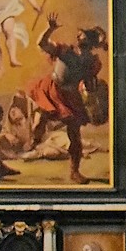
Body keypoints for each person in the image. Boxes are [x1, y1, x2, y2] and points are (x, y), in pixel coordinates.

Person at [28, 14, 107, 184]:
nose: (79, 36)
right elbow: (42, 44)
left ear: (91, 41)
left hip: (70, 96)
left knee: (75, 136)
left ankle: (74, 171)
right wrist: (50, 29)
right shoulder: (65, 50)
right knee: (38, 124)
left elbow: (89, 82)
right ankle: (34, 140)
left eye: (83, 34)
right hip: (51, 89)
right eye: (79, 34)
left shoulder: (93, 61)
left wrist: (90, 90)